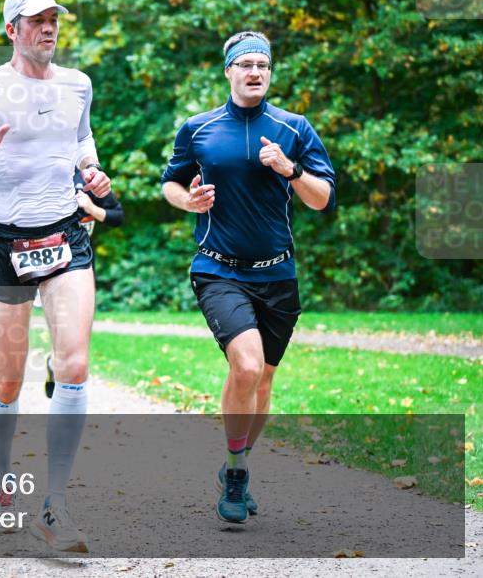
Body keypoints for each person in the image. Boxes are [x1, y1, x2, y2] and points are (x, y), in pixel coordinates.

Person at [0, 0, 111, 553]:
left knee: (75, 363)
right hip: (7, 242)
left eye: (53, 19)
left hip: (66, 236)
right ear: (11, 30)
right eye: (36, 21)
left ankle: (55, 504)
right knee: (9, 377)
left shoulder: (77, 85)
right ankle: (2, 471)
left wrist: (92, 172)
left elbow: (82, 141)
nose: (49, 28)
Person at [160, 31, 336, 524]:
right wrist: (187, 200)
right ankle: (236, 474)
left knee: (263, 384)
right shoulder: (198, 128)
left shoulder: (294, 128)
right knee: (247, 366)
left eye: (263, 64)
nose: (255, 71)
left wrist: (290, 170)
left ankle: (235, 461)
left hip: (277, 273)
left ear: (270, 72)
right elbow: (171, 182)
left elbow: (322, 198)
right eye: (245, 64)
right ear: (229, 72)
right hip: (217, 268)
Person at [43, 168, 124, 397]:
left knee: (78, 327)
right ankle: (57, 361)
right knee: (59, 324)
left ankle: (62, 366)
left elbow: (118, 216)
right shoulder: (41, 169)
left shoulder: (88, 177)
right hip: (49, 260)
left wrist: (90, 208)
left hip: (82, 262)